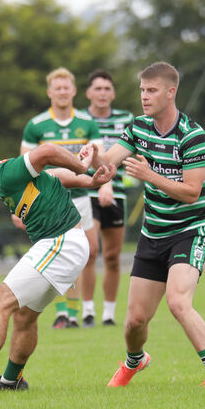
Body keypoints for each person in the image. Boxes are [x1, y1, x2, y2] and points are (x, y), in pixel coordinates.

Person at [89, 61, 205, 387]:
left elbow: (192, 193)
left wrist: (150, 176)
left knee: (178, 302)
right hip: (152, 234)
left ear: (171, 92)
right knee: (134, 322)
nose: (144, 96)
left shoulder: (193, 136)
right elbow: (109, 163)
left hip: (188, 232)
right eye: (142, 90)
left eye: (151, 90)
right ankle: (134, 361)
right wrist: (93, 155)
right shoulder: (138, 127)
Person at [0, 142, 115, 395]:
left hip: (61, 241)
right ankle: (11, 381)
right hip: (65, 243)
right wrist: (88, 182)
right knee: (24, 315)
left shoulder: (4, 173)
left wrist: (80, 166)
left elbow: (46, 151)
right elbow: (51, 176)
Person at [21, 67, 103, 329]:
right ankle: (62, 314)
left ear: (74, 90)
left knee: (87, 253)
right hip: (50, 200)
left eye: (66, 87)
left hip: (81, 194)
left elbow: (98, 157)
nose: (62, 91)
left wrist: (105, 183)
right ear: (49, 92)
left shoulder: (86, 123)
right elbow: (25, 166)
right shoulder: (36, 125)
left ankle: (83, 311)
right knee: (55, 254)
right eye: (57, 87)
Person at [82, 69, 135, 327]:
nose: (102, 93)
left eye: (107, 89)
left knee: (113, 256)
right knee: (90, 251)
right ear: (89, 93)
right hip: (87, 191)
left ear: (112, 93)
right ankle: (88, 310)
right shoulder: (80, 120)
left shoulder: (126, 119)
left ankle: (109, 314)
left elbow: (133, 151)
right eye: (98, 89)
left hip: (118, 192)